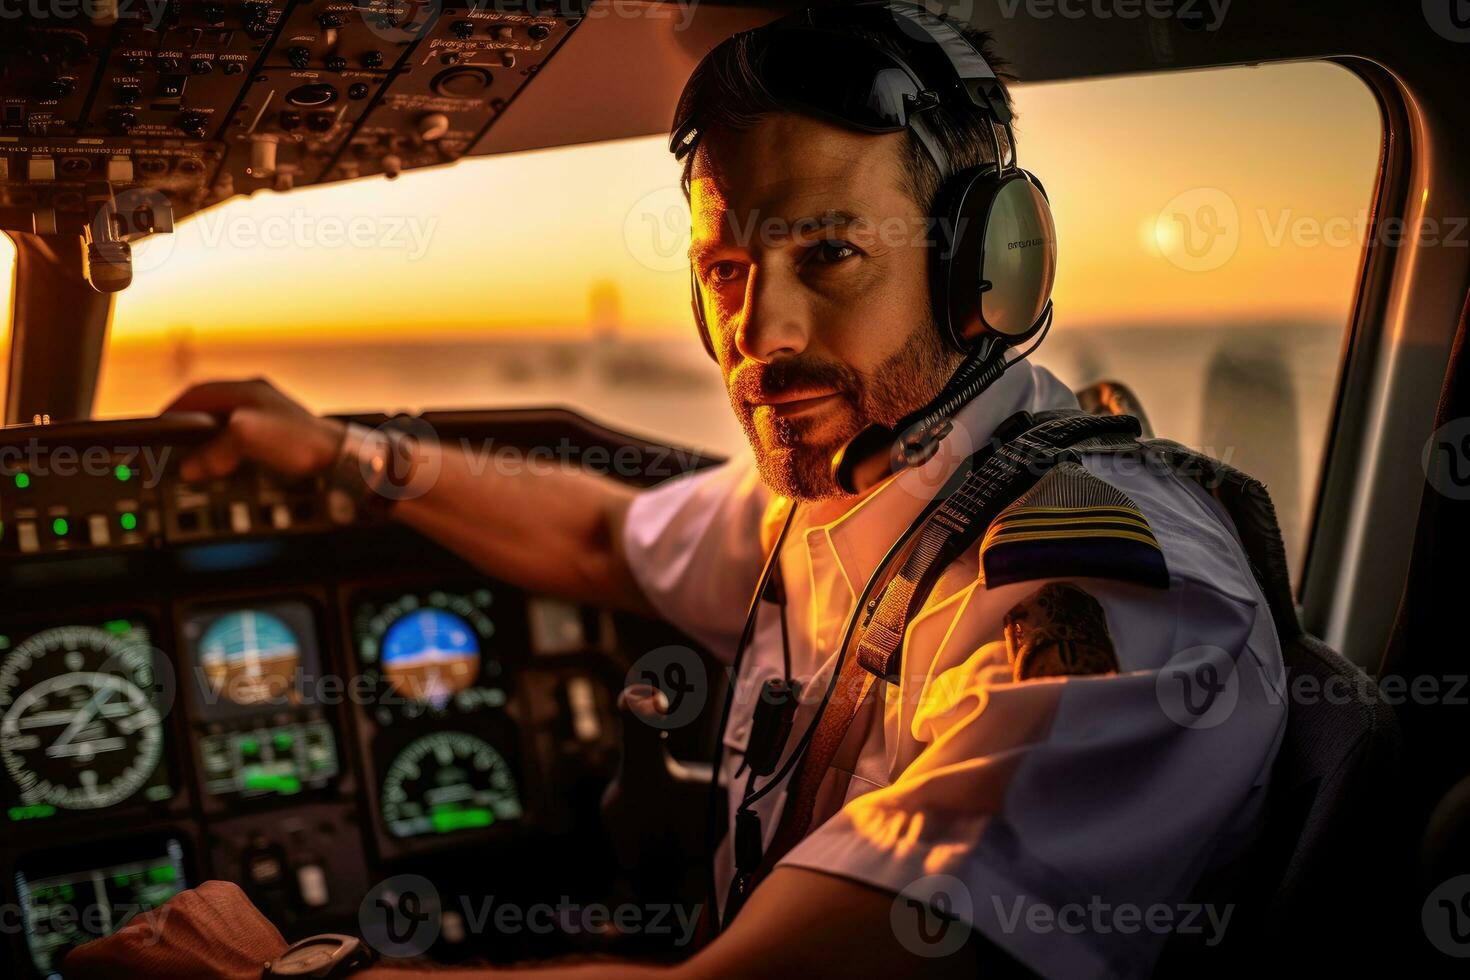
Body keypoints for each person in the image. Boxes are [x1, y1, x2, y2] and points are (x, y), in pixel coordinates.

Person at [64, 3, 1285, 978]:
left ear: (987, 265)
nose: (763, 327)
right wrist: (345, 451)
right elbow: (607, 534)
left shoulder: (1105, 595)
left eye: (832, 253)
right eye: (727, 264)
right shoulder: (851, 495)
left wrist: (277, 972)